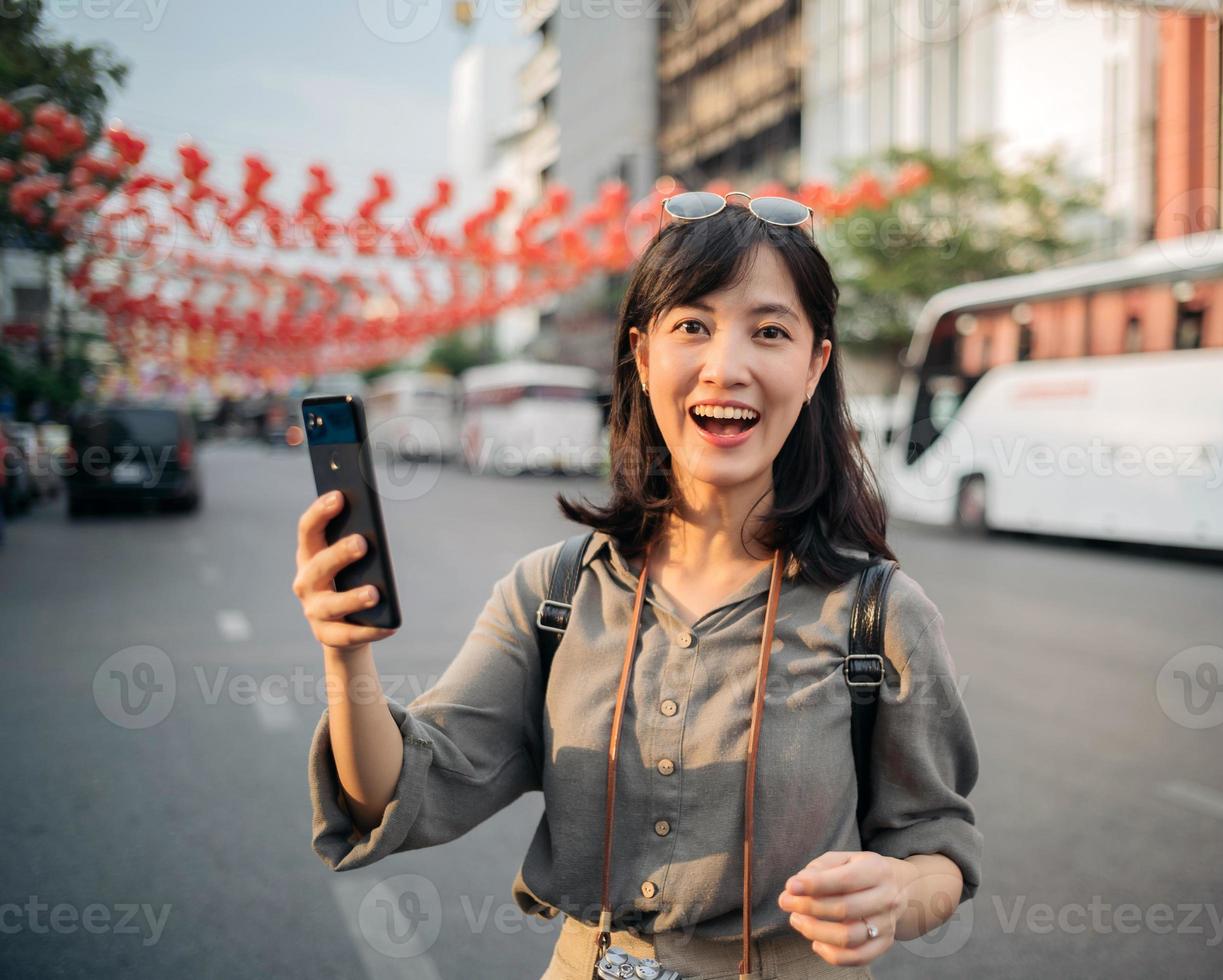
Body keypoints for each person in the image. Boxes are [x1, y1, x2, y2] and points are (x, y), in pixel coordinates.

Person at [294, 192, 982, 978]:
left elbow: (939, 849)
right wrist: (345, 656)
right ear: (644, 354)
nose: (727, 367)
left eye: (770, 332)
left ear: (815, 363)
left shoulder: (880, 615)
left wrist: (899, 889)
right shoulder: (550, 594)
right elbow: (401, 792)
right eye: (692, 325)